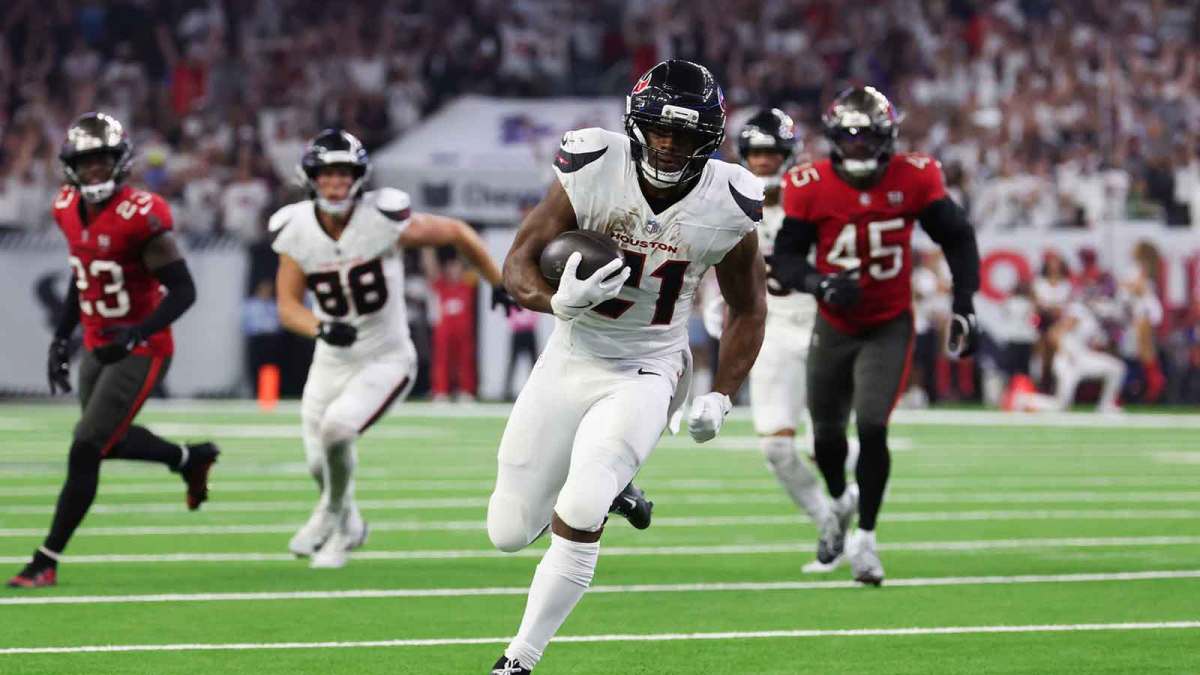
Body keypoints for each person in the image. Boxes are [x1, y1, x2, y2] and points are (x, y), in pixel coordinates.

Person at [488, 59, 767, 674]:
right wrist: (552, 300)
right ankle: (619, 484)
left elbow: (748, 308)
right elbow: (519, 261)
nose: (669, 144)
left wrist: (722, 394)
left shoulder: (729, 200)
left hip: (648, 365)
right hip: (570, 353)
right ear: (636, 123)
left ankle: (519, 658)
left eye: (686, 134)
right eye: (660, 129)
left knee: (582, 503)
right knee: (507, 531)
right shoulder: (592, 167)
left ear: (709, 138)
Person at [272, 129, 515, 569]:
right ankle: (350, 524)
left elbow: (457, 231)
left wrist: (496, 280)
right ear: (311, 178)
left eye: (344, 173)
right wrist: (321, 328)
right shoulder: (297, 229)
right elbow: (288, 305)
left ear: (359, 176)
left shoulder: (381, 218)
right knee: (317, 462)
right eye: (327, 174)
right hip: (330, 361)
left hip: (385, 357)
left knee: (338, 432)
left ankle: (330, 515)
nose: (336, 183)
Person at [772, 87, 980, 586]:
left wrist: (965, 302)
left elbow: (957, 235)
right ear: (834, 138)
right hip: (834, 322)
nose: (860, 148)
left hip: (888, 322)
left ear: (887, 139)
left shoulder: (915, 177)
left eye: (869, 139)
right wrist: (818, 283)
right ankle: (841, 499)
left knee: (871, 425)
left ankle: (865, 538)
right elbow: (786, 258)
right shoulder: (808, 183)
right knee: (824, 437)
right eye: (850, 138)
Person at [8, 113, 218, 589]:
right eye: (86, 163)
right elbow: (82, 279)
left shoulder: (140, 216)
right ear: (70, 169)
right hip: (100, 342)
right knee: (107, 439)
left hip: (142, 347)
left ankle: (45, 559)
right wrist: (61, 338)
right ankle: (190, 458)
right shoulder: (65, 206)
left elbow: (184, 291)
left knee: (85, 446)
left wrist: (138, 332)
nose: (95, 171)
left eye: (103, 161)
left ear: (120, 162)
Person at [704, 108, 846, 571]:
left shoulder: (816, 198)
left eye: (772, 153)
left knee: (841, 441)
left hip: (824, 322)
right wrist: (713, 305)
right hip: (769, 327)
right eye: (757, 153)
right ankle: (828, 519)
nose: (764, 161)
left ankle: (852, 513)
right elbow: (708, 257)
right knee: (776, 447)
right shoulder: (729, 200)